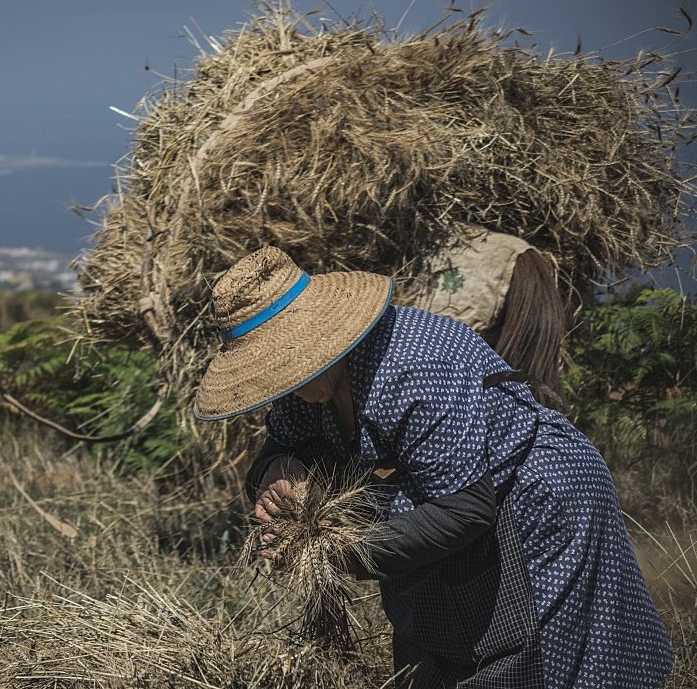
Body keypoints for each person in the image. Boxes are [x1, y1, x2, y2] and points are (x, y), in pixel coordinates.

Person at [194, 246, 672, 688]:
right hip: (436, 513)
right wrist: (275, 470)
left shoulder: (414, 367)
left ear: (324, 339)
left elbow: (466, 509)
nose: (287, 387)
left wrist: (337, 554)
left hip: (530, 501)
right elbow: (282, 443)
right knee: (431, 657)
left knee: (534, 661)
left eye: (289, 371)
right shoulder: (308, 386)